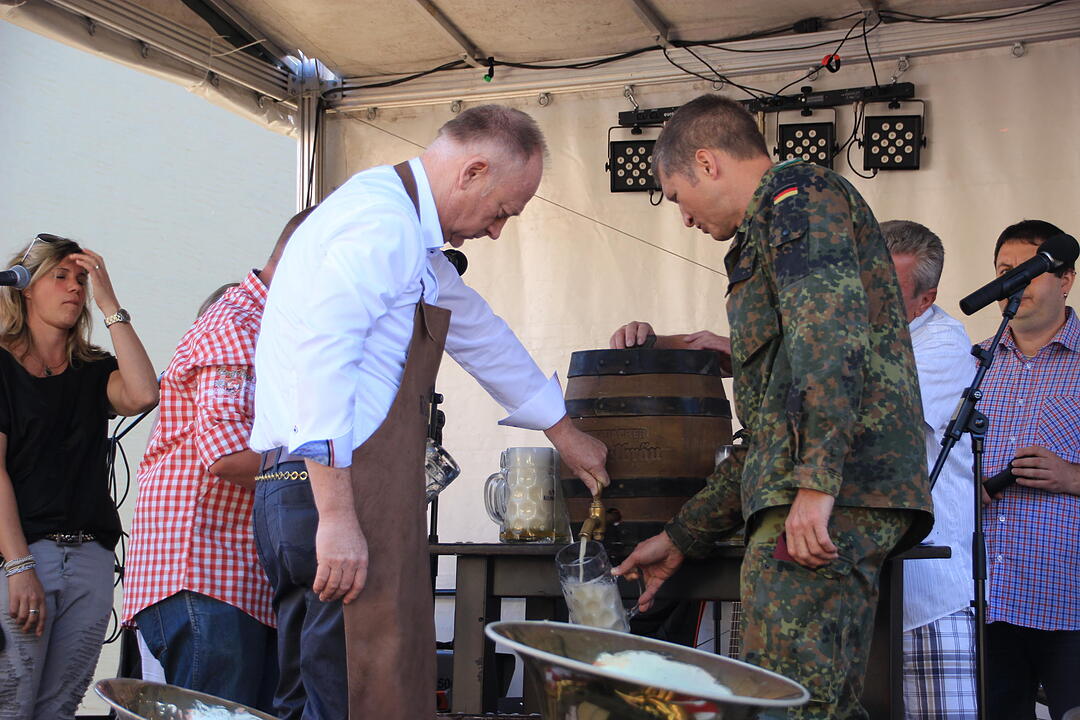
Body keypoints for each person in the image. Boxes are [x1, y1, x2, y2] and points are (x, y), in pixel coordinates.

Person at [249, 105, 609, 720]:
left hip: (319, 489)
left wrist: (564, 431)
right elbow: (322, 357)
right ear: (471, 172)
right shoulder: (380, 225)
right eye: (502, 212)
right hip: (331, 490)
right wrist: (337, 516)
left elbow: (477, 330)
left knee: (323, 691)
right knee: (351, 694)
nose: (497, 232)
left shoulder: (406, 235)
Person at [611, 94, 932, 720]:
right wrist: (682, 536)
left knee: (784, 706)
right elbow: (767, 431)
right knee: (816, 703)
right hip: (827, 492)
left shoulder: (798, 197)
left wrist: (815, 484)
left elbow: (829, 341)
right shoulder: (776, 224)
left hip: (827, 499)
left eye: (675, 196)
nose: (682, 218)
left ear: (706, 163)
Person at [121, 210, 312, 712]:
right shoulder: (238, 324)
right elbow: (226, 457)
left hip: (238, 577)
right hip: (203, 573)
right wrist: (326, 467)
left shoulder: (271, 326)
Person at [0, 234, 158, 719]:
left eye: (82, 279)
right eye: (61, 276)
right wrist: (19, 564)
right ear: (26, 287)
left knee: (61, 705)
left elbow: (144, 393)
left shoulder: (91, 369)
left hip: (90, 557)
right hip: (23, 555)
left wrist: (111, 305)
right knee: (12, 700)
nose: (75, 288)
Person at [979, 220, 1079, 720]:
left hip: (1070, 598)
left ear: (1066, 280)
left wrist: (1074, 477)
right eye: (1003, 272)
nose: (1012, 283)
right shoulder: (970, 364)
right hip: (986, 597)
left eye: (1029, 271)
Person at [880, 220, 977, 720]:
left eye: (888, 286)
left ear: (926, 298)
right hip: (865, 591)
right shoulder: (843, 338)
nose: (869, 294)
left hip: (928, 597)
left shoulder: (942, 341)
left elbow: (875, 411)